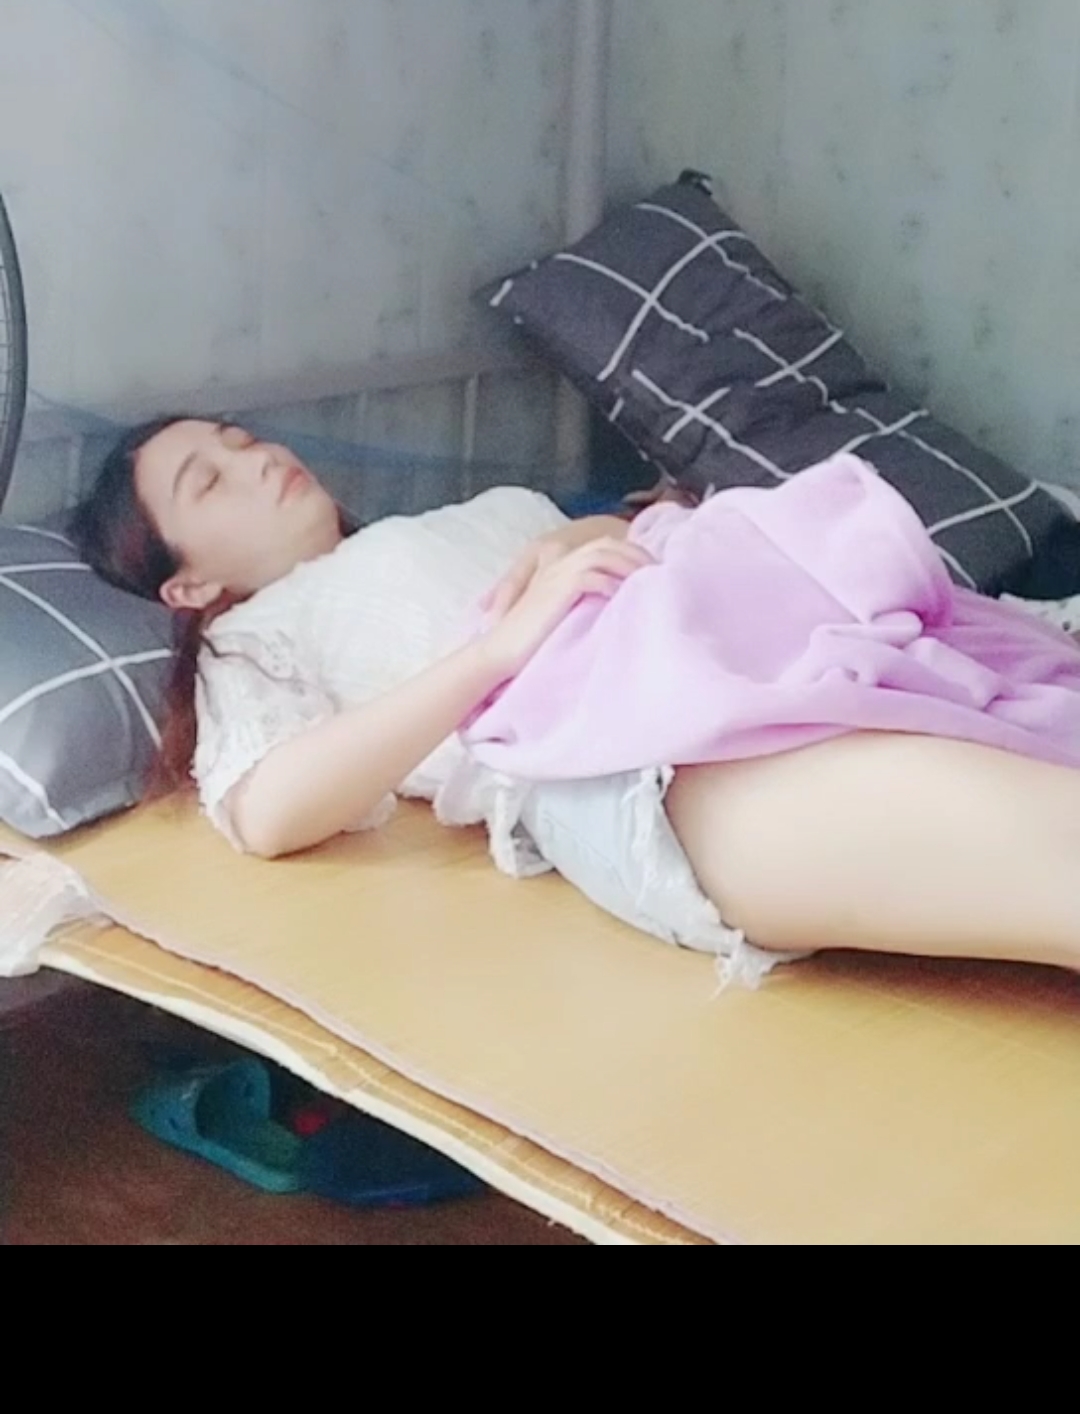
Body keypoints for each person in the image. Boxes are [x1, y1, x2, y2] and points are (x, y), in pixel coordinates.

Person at [71, 416, 1080, 989]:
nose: (255, 459)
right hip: (621, 753)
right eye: (211, 482)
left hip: (730, 633)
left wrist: (573, 539)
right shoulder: (261, 631)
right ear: (189, 586)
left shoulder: (474, 515)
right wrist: (500, 649)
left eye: (241, 439)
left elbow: (636, 549)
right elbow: (267, 811)